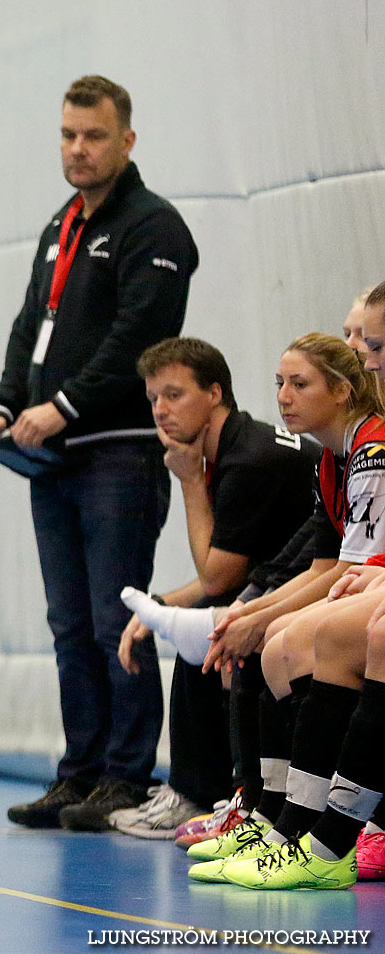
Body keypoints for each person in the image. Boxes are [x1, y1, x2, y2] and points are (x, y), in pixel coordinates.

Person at [0, 75, 199, 831]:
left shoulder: (154, 230)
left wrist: (60, 406)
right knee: (68, 623)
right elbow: (30, 325)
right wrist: (2, 408)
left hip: (119, 456)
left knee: (113, 621)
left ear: (126, 140)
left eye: (93, 136)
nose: (77, 149)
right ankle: (83, 771)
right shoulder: (62, 225)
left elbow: (136, 338)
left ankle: (128, 777)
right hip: (57, 459)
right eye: (67, 135)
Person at [181, 331, 385, 887]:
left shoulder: (371, 447)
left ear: (342, 391)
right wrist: (251, 615)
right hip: (360, 580)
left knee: (295, 643)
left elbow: (352, 570)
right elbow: (325, 568)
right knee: (272, 643)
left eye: (299, 383)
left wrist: (259, 616)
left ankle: (326, 829)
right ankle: (280, 818)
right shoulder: (333, 460)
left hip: (369, 584)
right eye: (279, 384)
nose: (284, 396)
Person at [111, 338, 317, 840]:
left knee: (208, 630)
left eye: (174, 395)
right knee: (202, 617)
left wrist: (187, 483)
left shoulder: (247, 461)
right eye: (153, 397)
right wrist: (160, 605)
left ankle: (195, 793)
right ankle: (211, 790)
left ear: (215, 394)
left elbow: (216, 578)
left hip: (317, 582)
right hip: (279, 579)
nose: (160, 410)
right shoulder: (239, 447)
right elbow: (230, 574)